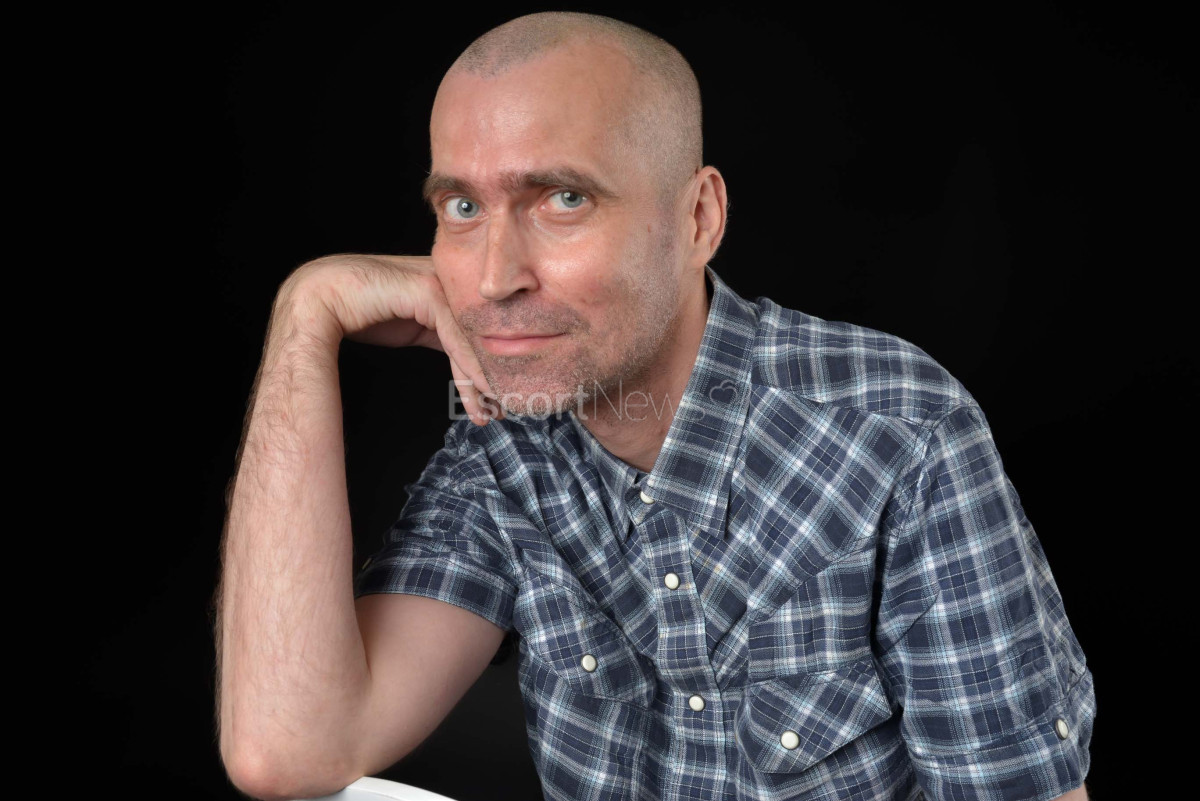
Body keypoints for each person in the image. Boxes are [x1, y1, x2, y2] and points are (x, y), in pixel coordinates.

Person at [216, 12, 1095, 801]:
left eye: (564, 199)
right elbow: (288, 750)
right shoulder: (501, 446)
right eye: (463, 206)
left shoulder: (898, 434)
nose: (493, 278)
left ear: (699, 218)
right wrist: (306, 313)